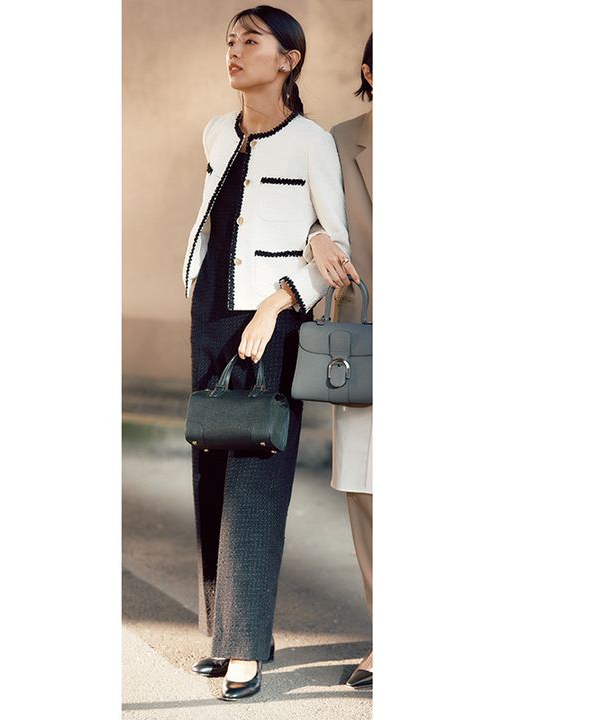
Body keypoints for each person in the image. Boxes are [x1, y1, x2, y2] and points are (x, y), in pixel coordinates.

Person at [182, 5, 350, 701]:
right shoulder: (216, 131)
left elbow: (334, 251)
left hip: (270, 324)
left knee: (255, 480)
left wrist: (279, 301)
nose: (235, 50)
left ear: (288, 59)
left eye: (250, 40)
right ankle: (227, 633)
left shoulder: (312, 142)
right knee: (210, 471)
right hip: (209, 316)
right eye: (230, 40)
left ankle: (246, 646)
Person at [308, 34, 373, 689]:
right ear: (369, 72)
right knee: (366, 488)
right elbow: (308, 213)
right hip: (364, 338)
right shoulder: (340, 140)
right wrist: (318, 238)